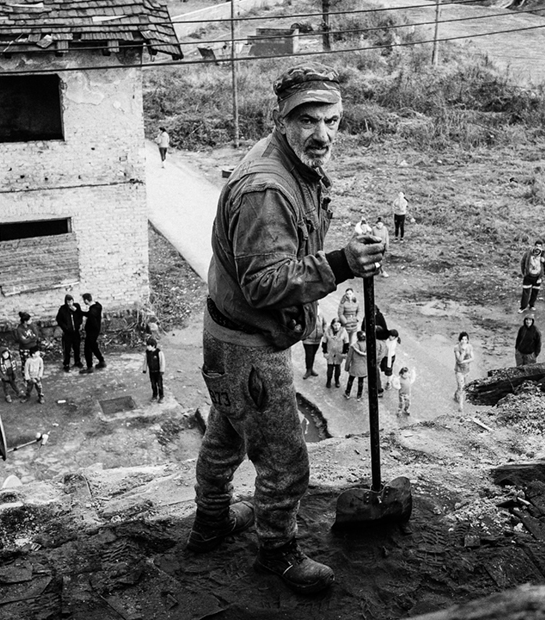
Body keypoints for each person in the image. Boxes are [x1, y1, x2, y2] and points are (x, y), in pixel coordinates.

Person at [187, 63, 385, 596]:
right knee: (285, 459)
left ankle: (210, 524)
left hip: (228, 334)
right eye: (308, 120)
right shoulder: (267, 189)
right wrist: (342, 262)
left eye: (332, 121)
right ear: (282, 119)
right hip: (250, 347)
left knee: (226, 433)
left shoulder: (290, 163)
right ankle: (277, 553)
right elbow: (263, 283)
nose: (323, 134)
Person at [519, 240, 545, 313]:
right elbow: (523, 262)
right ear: (534, 246)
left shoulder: (544, 254)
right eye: (536, 246)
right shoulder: (528, 252)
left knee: (535, 292)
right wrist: (524, 272)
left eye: (540, 246)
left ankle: (531, 305)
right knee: (525, 292)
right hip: (528, 275)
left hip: (538, 277)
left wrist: (544, 261)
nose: (538, 248)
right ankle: (523, 307)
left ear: (542, 247)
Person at [79, 293, 106, 373]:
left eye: (84, 300)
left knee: (87, 349)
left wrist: (87, 328)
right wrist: (80, 312)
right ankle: (101, 361)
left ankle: (89, 367)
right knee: (94, 346)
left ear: (86, 300)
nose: (84, 302)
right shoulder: (97, 306)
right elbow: (90, 314)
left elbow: (91, 317)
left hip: (92, 332)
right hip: (96, 331)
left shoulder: (92, 312)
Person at [56, 294, 83, 372]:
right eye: (68, 302)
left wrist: (79, 323)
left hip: (76, 331)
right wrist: (65, 327)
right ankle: (66, 364)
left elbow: (80, 315)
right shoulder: (63, 309)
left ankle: (77, 361)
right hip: (67, 333)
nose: (70, 303)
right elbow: (59, 319)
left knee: (77, 347)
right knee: (67, 349)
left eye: (71, 301)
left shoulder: (76, 306)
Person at [322, 318, 349, 388]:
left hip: (339, 354)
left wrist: (344, 352)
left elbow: (346, 343)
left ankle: (337, 380)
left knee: (338, 369)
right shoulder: (327, 331)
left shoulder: (344, 331)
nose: (336, 327)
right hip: (330, 353)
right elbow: (324, 342)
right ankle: (328, 380)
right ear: (332, 325)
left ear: (340, 325)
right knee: (330, 369)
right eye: (335, 325)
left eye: (338, 325)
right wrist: (325, 352)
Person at [300, 309, 327, 379]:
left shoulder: (321, 315)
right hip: (308, 340)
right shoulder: (306, 314)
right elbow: (301, 325)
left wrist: (323, 332)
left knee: (313, 354)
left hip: (317, 339)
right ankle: (308, 370)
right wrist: (303, 335)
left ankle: (311, 369)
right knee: (309, 355)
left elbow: (325, 324)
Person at [344, 331, 368, 401]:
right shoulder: (368, 345)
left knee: (350, 380)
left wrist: (347, 367)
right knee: (361, 382)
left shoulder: (354, 346)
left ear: (357, 337)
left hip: (354, 367)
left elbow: (349, 358)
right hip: (363, 367)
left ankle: (347, 393)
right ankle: (359, 396)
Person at [453, 331, 474, 413]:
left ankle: (456, 395)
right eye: (462, 339)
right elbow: (459, 360)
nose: (464, 341)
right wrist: (463, 351)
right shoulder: (456, 348)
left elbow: (472, 358)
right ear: (460, 340)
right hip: (459, 371)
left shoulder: (470, 346)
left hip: (466, 370)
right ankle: (461, 407)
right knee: (461, 388)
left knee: (463, 387)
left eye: (465, 339)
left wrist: (464, 362)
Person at [142, 336, 166, 402]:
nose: (147, 347)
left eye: (148, 346)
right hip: (151, 372)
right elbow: (145, 361)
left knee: (159, 384)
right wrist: (144, 369)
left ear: (153, 346)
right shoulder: (147, 353)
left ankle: (161, 396)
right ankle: (154, 395)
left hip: (158, 372)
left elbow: (162, 362)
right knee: (153, 384)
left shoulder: (159, 353)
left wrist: (162, 370)